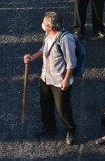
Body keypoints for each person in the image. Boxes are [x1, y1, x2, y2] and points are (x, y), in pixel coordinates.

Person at [23, 11, 77, 145]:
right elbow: (44, 48)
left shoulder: (65, 39)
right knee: (45, 105)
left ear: (52, 27)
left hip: (60, 80)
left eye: (44, 23)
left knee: (62, 108)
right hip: (46, 77)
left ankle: (70, 130)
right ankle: (49, 127)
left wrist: (66, 80)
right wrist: (32, 57)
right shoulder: (48, 34)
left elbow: (71, 62)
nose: (42, 25)